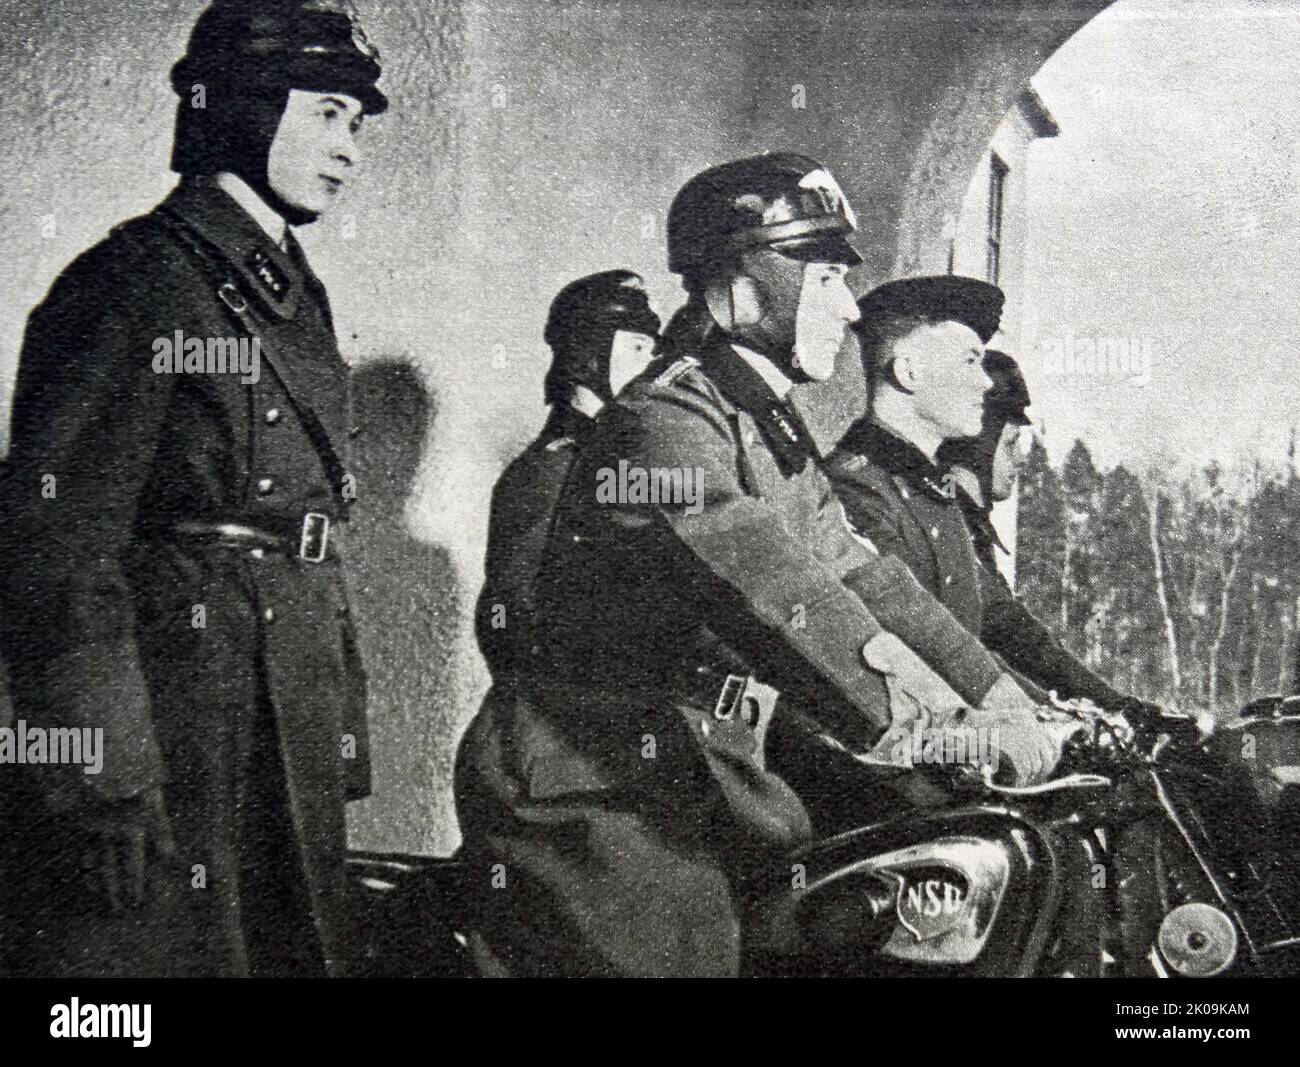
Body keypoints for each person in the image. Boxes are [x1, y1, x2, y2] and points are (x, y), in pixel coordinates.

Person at [454, 153, 1064, 977]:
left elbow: (859, 570)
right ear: (743, 288)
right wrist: (926, 722)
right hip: (593, 792)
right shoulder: (660, 421)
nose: (848, 308)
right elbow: (762, 574)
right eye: (823, 279)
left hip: (703, 776)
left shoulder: (766, 431)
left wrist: (997, 694)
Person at [0, 0, 388, 977]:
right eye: (326, 114)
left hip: (273, 695)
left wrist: (335, 716)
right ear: (247, 109)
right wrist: (101, 775)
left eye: (356, 123)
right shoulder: (138, 278)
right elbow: (56, 543)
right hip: (178, 711)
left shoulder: (283, 283)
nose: (348, 150)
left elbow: (304, 523)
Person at [936, 349, 1151, 713]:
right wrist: (1113, 706)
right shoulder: (950, 518)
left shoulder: (964, 518)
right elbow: (1014, 634)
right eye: (1010, 444)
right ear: (978, 446)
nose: (1021, 458)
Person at [475, 270, 661, 676]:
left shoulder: (625, 457)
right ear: (587, 356)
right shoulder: (551, 468)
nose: (650, 363)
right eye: (637, 346)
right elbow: (506, 613)